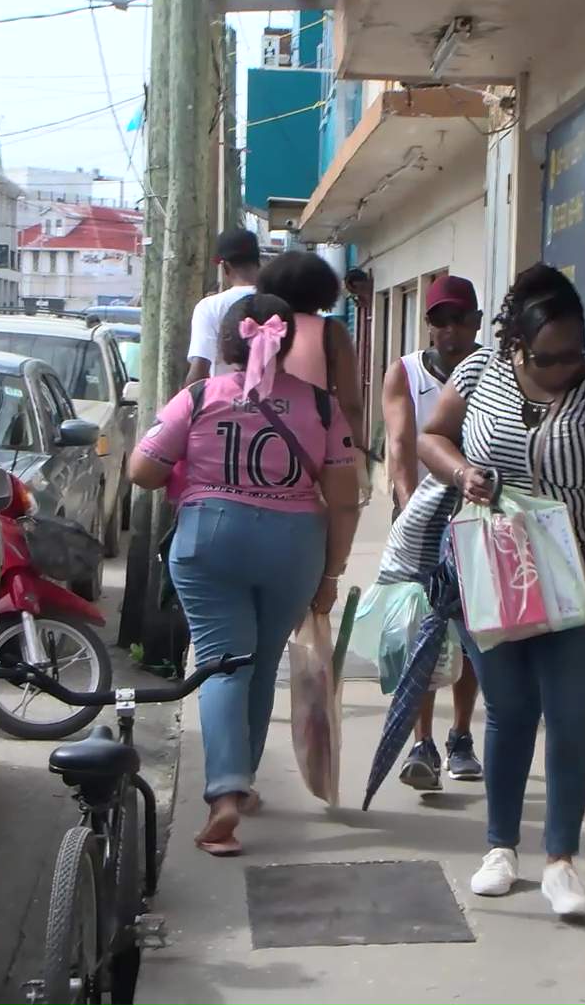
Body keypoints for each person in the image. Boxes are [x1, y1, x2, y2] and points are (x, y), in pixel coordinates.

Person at [416, 263, 585, 917]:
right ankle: (501, 848)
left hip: (582, 568)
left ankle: (562, 861)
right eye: (550, 357)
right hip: (494, 563)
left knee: (572, 709)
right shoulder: (478, 374)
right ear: (516, 346)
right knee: (509, 705)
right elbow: (431, 436)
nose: (566, 367)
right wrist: (463, 470)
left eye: (576, 352)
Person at [128, 289, 362, 858]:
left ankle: (225, 794)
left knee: (222, 664)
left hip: (210, 540)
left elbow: (142, 470)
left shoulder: (199, 396)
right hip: (293, 546)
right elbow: (345, 498)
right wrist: (330, 575)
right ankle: (242, 783)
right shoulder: (323, 407)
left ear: (227, 344)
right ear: (285, 343)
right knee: (258, 665)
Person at [382, 274, 485, 791]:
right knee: (418, 635)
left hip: (475, 519)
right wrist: (407, 509)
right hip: (420, 523)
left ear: (476, 322)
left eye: (458, 319)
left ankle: (461, 737)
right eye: (438, 320)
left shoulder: (489, 371)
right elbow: (401, 444)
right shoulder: (405, 372)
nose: (448, 329)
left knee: (469, 634)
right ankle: (420, 742)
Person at [255, 251, 367, 456]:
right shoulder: (332, 332)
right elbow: (349, 404)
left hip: (260, 436)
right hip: (314, 441)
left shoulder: (259, 329)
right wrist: (356, 448)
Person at [183, 228, 263, 385]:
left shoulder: (209, 307)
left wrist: (183, 405)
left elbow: (199, 370)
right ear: (258, 263)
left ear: (225, 267)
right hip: (279, 405)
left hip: (224, 404)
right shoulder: (280, 303)